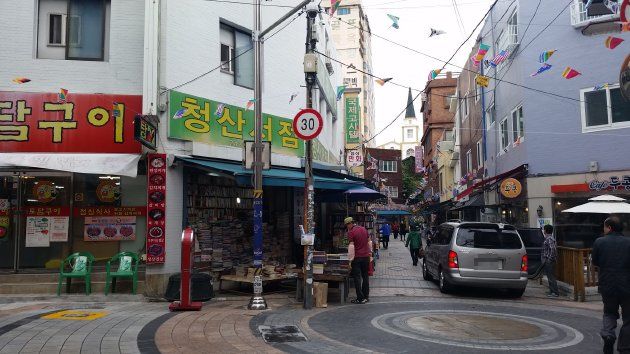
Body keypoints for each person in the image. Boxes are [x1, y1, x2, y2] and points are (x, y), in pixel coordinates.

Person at [592, 216, 630, 354]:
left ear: (609, 227)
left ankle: (608, 334)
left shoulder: (599, 242)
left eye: (604, 227)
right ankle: (625, 347)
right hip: (627, 286)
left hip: (607, 284)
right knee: (628, 318)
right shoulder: (628, 243)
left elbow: (595, 261)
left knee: (609, 313)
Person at [345, 217, 372, 304]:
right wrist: (370, 253)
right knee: (365, 276)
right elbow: (369, 242)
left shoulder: (351, 232)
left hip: (357, 257)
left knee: (357, 278)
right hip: (366, 257)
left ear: (350, 224)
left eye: (347, 225)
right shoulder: (364, 229)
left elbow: (351, 246)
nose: (347, 227)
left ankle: (360, 298)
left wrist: (350, 259)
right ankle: (366, 296)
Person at [541, 224, 559, 298]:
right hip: (548, 260)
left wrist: (549, 259)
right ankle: (552, 291)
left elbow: (553, 249)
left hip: (549, 261)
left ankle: (555, 292)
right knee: (549, 276)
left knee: (551, 276)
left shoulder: (549, 239)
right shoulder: (549, 238)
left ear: (545, 230)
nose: (543, 231)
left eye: (544, 229)